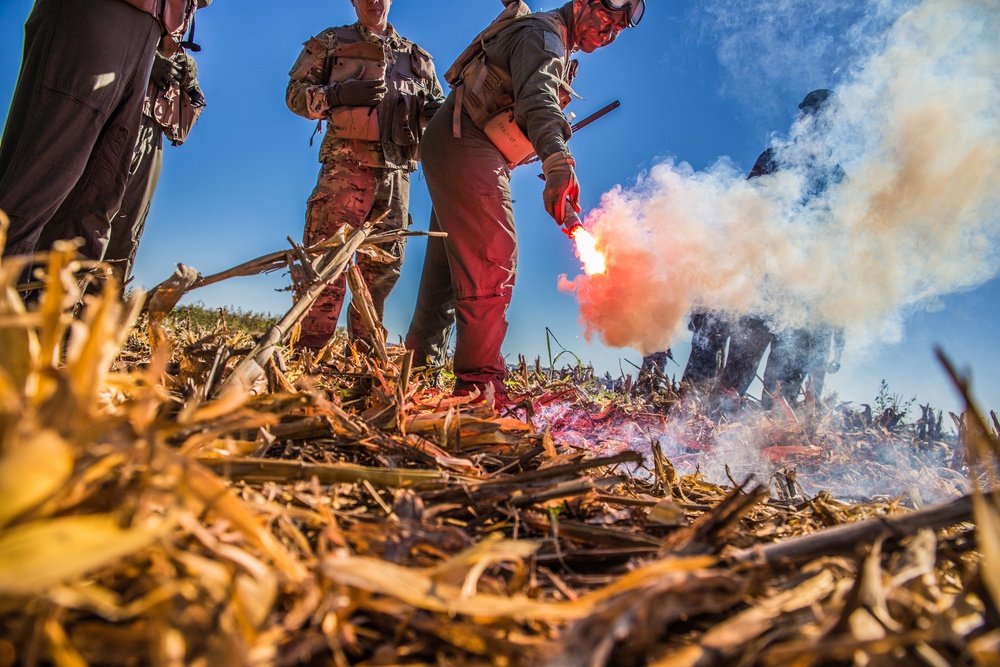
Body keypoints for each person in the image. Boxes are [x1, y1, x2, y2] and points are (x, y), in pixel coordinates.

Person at [404, 0, 645, 401]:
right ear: (581, 2)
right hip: (467, 141)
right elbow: (539, 102)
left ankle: (414, 378)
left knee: (447, 275)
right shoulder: (544, 37)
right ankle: (478, 387)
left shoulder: (559, 46)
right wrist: (558, 160)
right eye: (607, 18)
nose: (610, 32)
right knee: (492, 253)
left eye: (619, 28)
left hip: (466, 145)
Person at [0, 0, 203, 283]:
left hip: (151, 31)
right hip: (102, 13)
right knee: (39, 180)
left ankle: (49, 316)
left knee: (95, 204)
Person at [286, 0, 445, 351]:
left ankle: (365, 352)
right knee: (325, 261)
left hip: (396, 176)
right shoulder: (332, 42)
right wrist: (336, 95)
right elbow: (294, 96)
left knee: (383, 270)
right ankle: (310, 352)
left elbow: (440, 114)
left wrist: (435, 115)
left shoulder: (419, 60)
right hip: (346, 170)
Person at [715, 89, 847, 409]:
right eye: (812, 117)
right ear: (802, 119)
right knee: (732, 385)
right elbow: (743, 217)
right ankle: (705, 441)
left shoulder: (837, 178)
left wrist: (835, 333)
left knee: (781, 399)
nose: (816, 125)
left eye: (825, 121)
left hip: (806, 300)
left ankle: (768, 453)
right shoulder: (772, 159)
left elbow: (843, 250)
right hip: (761, 289)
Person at [105, 15, 210, 285]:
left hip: (153, 136)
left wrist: (188, 79)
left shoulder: (182, 45)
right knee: (91, 211)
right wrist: (147, 61)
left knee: (128, 228)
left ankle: (101, 312)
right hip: (111, 118)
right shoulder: (134, 19)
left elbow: (196, 103)